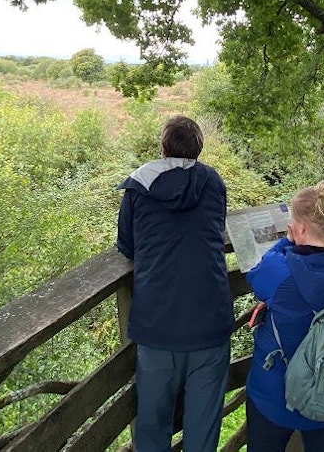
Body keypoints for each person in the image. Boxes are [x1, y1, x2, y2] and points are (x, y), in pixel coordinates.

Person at [116, 115, 233, 452]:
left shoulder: (139, 186)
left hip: (158, 322)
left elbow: (127, 245)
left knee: (153, 426)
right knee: (204, 425)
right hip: (210, 317)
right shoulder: (213, 183)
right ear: (199, 147)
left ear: (163, 147)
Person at [245, 181, 324, 452]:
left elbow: (259, 268)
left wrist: (286, 241)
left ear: (299, 227)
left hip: (274, 391)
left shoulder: (281, 274)